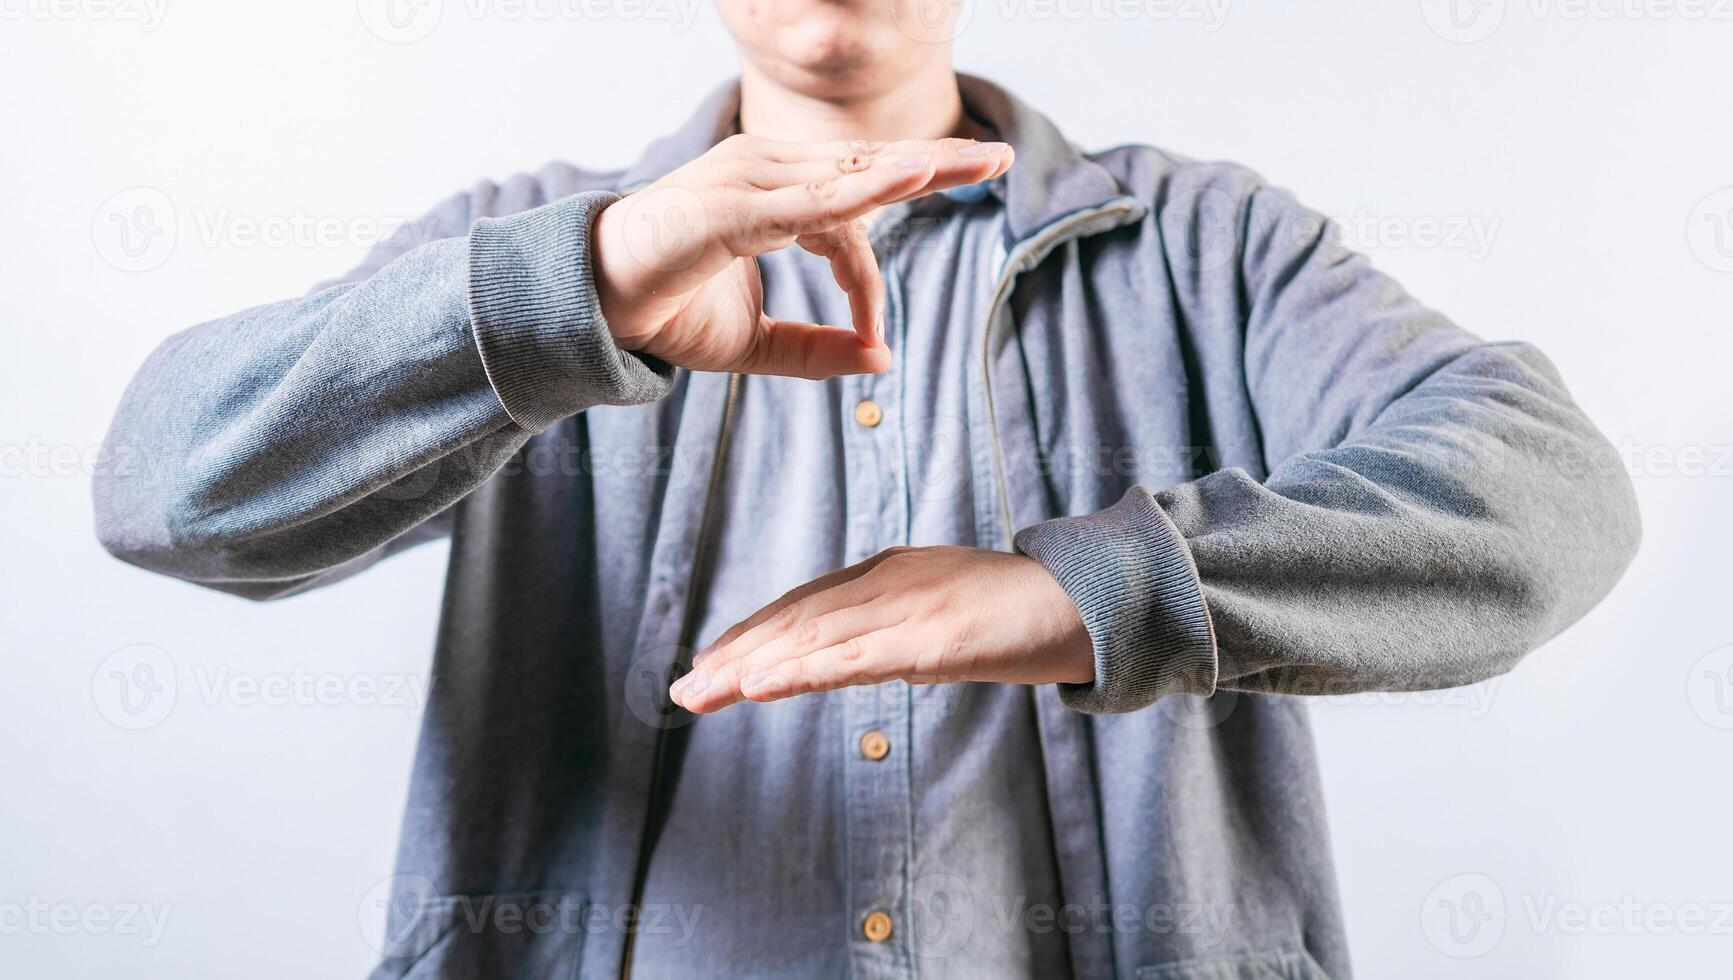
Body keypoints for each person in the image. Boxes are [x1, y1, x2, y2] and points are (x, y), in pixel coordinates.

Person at [92, 2, 1641, 977]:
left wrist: (1088, 589)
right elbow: (163, 487)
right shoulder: (524, 245)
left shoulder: (1206, 247)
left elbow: (1550, 498)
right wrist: (587, 289)